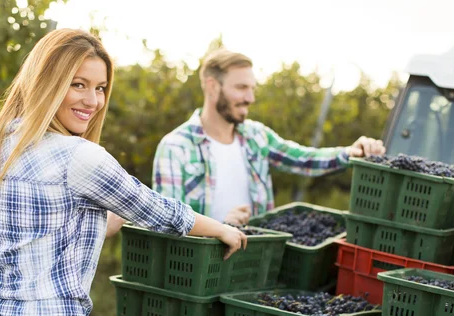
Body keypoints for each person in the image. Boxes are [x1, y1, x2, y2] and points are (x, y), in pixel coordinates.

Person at [0, 29, 247, 316]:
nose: (92, 100)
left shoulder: (6, 141)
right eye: (78, 84)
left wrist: (119, 207)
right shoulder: (79, 157)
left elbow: (59, 230)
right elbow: (162, 212)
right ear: (46, 82)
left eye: (101, 88)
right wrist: (222, 228)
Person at [152, 49, 386, 226]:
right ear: (212, 87)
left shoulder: (255, 136)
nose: (250, 97)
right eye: (242, 87)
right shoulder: (175, 147)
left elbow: (303, 159)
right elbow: (166, 223)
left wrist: (349, 152)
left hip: (254, 265)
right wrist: (219, 227)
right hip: (200, 273)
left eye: (253, 88)